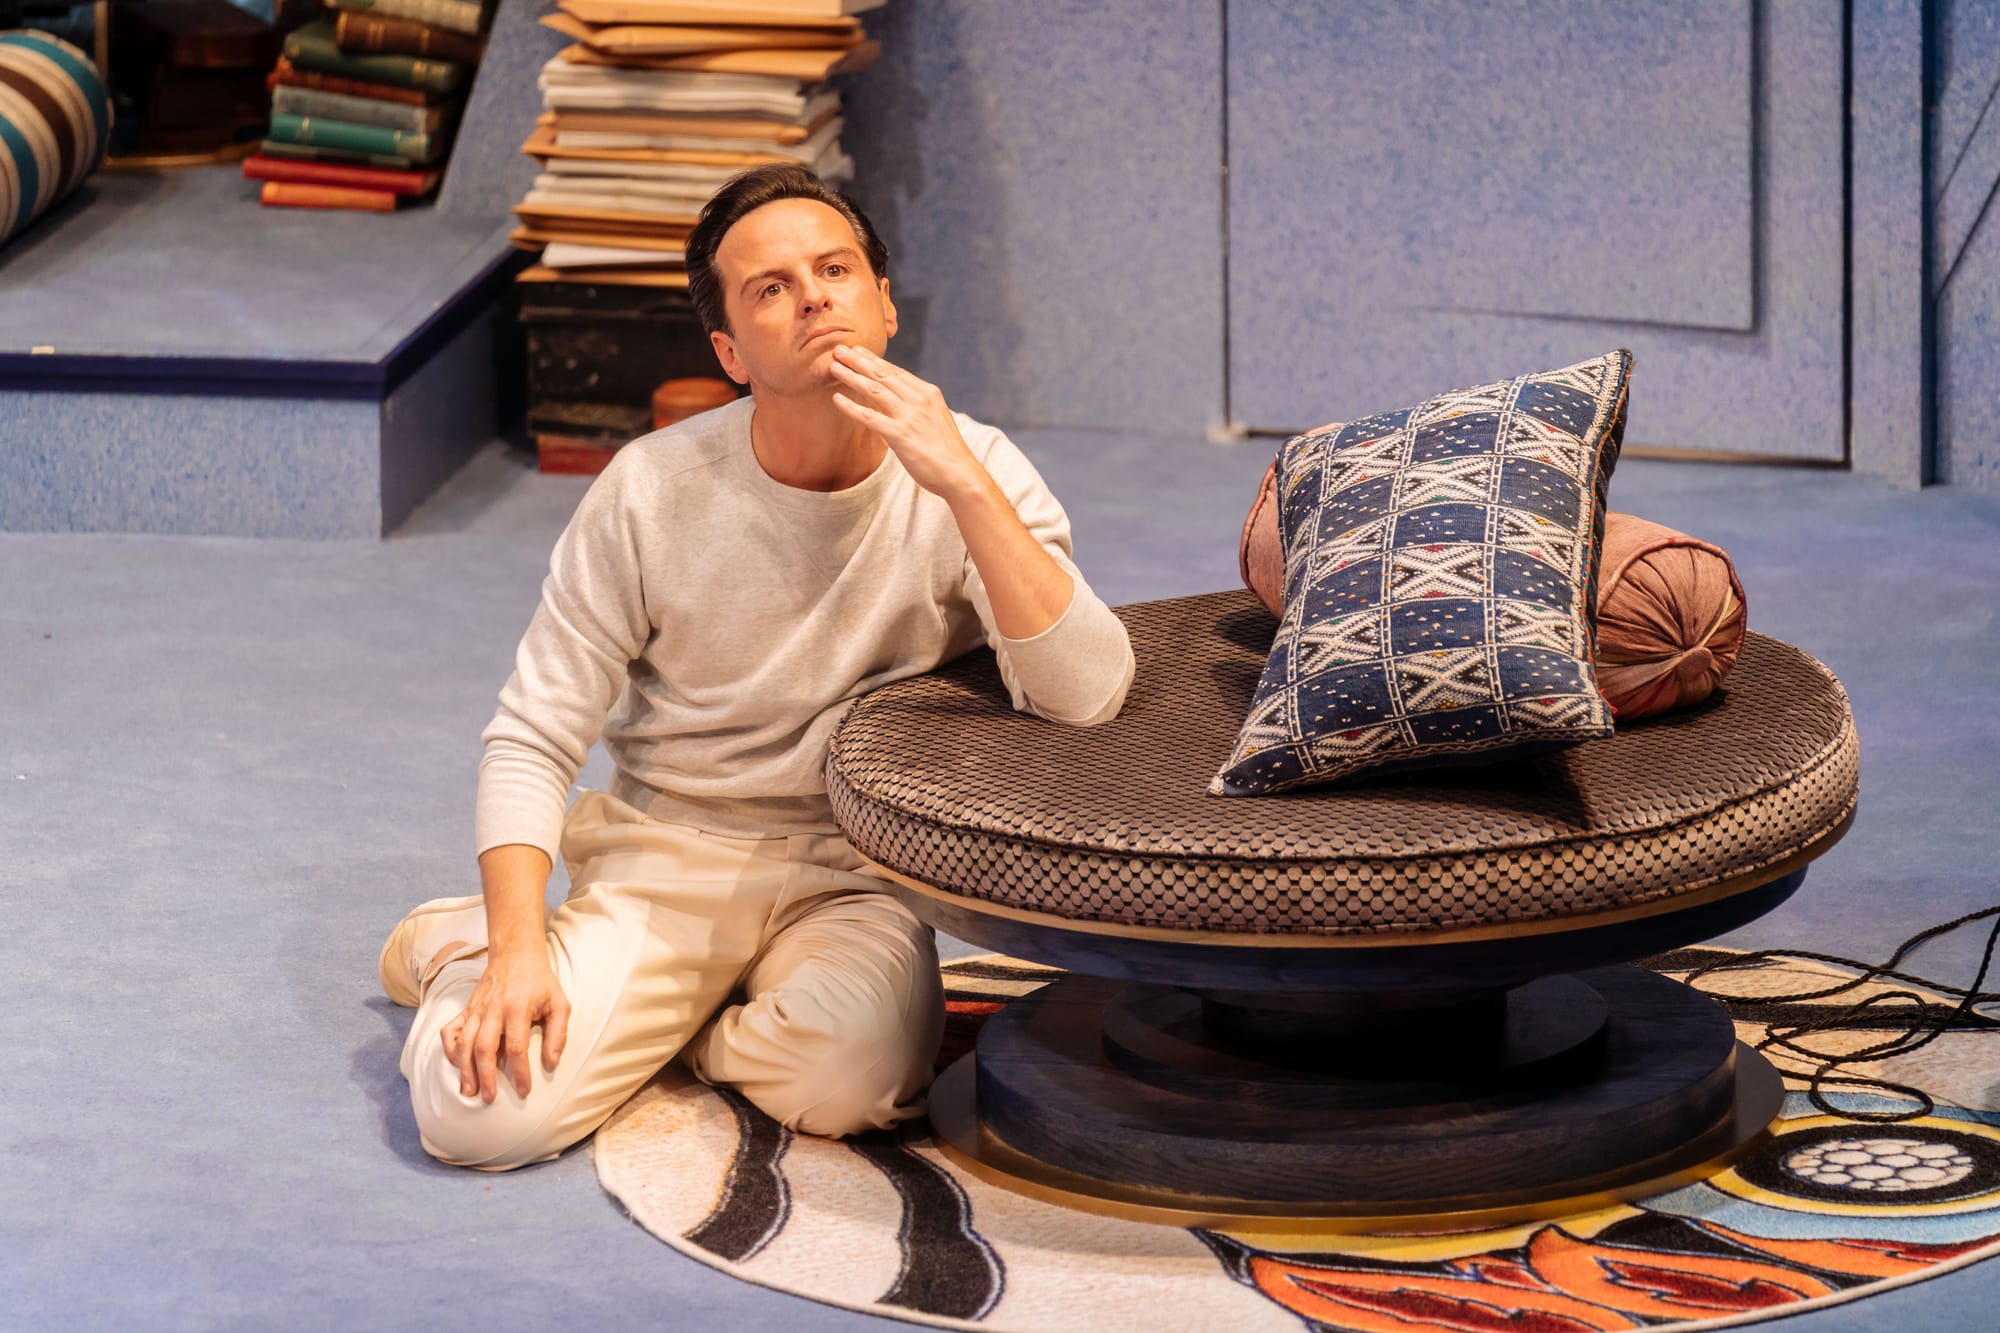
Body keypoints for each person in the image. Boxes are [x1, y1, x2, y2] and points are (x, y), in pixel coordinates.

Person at [376, 164, 1137, 1170]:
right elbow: (534, 732)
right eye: (770, 287)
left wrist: (957, 482)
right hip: (668, 857)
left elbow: (1088, 693)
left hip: (853, 873)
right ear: (731, 352)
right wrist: (521, 952)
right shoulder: (649, 489)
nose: (813, 295)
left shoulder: (974, 468)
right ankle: (465, 945)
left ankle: (669, 1026)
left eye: (834, 269)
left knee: (855, 1084)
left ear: (884, 307)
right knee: (473, 1115)